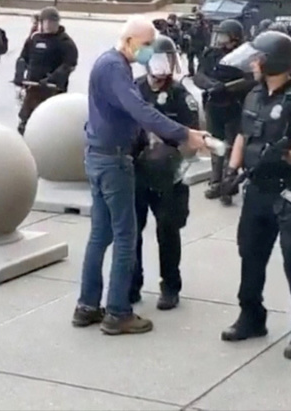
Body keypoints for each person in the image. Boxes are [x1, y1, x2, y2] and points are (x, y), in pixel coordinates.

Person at [75, 17, 208, 336]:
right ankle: (118, 311)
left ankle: (88, 305)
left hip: (100, 156)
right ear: (129, 41)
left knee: (101, 234)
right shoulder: (115, 68)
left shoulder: (111, 65)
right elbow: (140, 111)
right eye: (146, 45)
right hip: (114, 161)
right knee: (125, 236)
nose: (149, 51)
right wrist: (184, 133)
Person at [220, 31, 291, 360]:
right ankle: (251, 317)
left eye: (258, 58)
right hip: (257, 190)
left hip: (290, 192)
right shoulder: (253, 95)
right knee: (250, 254)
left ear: (274, 62)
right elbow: (244, 135)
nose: (253, 64)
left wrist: (287, 156)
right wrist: (231, 170)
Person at [129, 35, 199, 311]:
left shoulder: (180, 95)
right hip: (137, 171)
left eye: (167, 60)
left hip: (167, 176)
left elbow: (192, 137)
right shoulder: (134, 89)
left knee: (168, 231)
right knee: (131, 231)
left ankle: (170, 286)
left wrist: (174, 153)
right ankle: (132, 283)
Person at [193, 19, 254, 204]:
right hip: (214, 105)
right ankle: (216, 182)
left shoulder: (244, 55)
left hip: (234, 106)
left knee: (232, 147)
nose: (220, 39)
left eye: (224, 36)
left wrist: (229, 88)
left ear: (235, 38)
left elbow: (251, 80)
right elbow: (199, 75)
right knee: (215, 145)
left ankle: (229, 186)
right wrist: (211, 85)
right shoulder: (211, 54)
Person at [14, 7, 78, 134]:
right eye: (46, 22)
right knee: (26, 118)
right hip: (33, 87)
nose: (49, 25)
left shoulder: (65, 42)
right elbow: (23, 58)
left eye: (52, 22)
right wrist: (19, 74)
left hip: (52, 89)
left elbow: (69, 64)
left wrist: (52, 78)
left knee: (50, 123)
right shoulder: (34, 38)